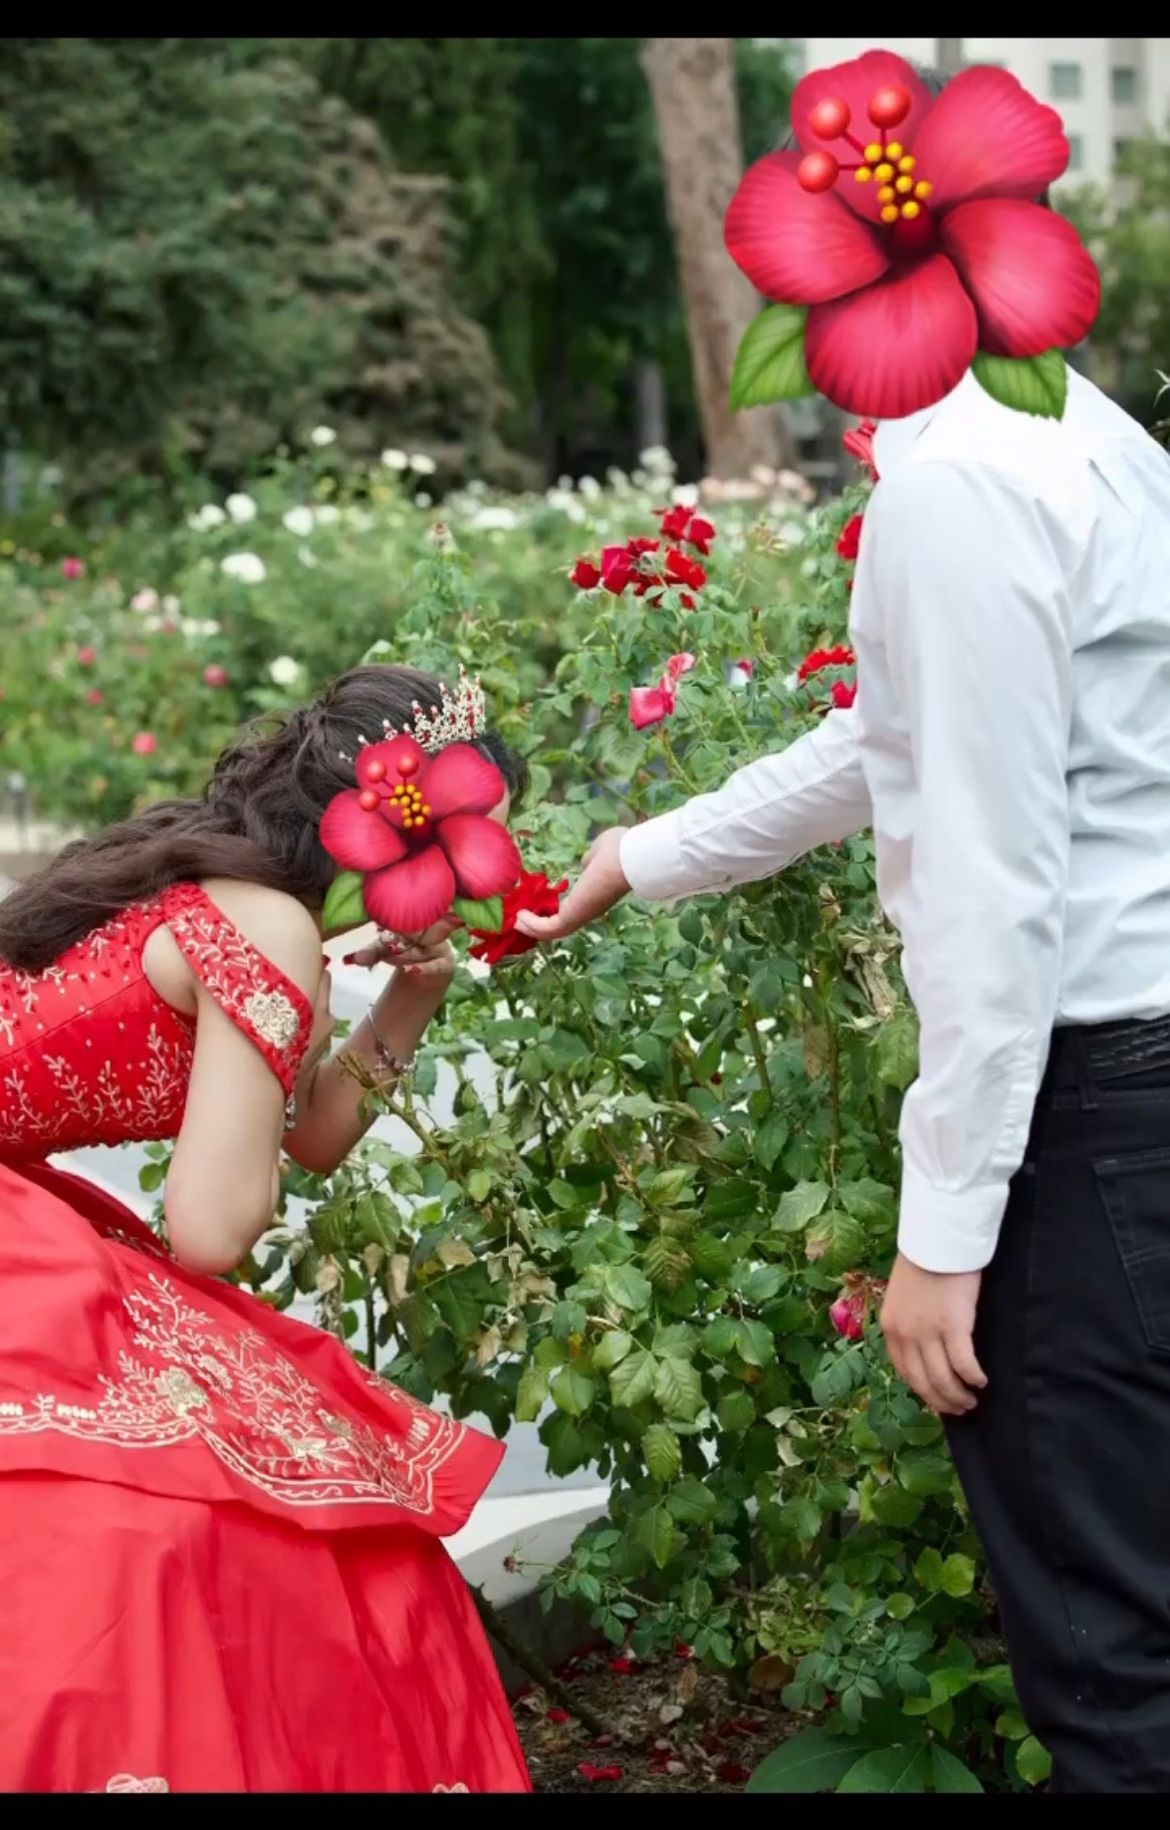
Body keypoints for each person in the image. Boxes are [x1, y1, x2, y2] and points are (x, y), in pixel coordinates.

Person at [518, 48, 1170, 1798]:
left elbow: (987, 887)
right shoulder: (1080, 435)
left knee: (1116, 1673)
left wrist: (944, 1231)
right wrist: (643, 855)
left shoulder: (961, 485)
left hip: (1087, 1122)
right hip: (1135, 1091)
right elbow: (900, 736)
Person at [0, 662, 531, 1794]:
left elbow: (310, 1138)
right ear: (388, 840)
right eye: (459, 859)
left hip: (22, 1201)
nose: (467, 889)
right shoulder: (270, 925)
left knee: (258, 1460)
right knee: (228, 1499)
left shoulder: (214, 884)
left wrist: (409, 999)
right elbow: (210, 1227)